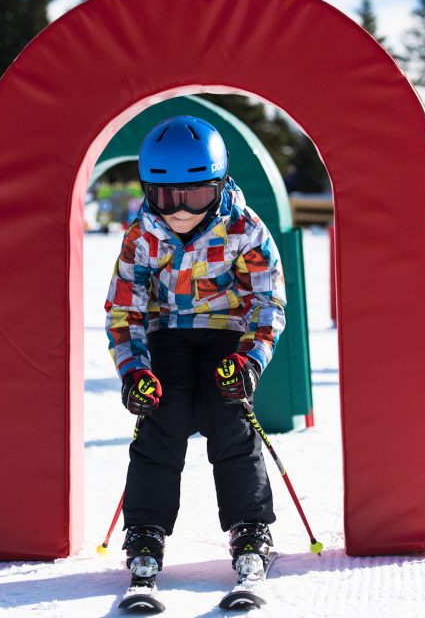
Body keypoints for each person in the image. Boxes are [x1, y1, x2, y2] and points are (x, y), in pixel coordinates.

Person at [104, 115, 286, 596]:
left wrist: (250, 361)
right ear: (147, 189)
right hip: (169, 335)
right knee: (162, 415)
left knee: (230, 417)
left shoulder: (245, 230)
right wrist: (133, 370)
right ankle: (145, 530)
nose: (180, 211)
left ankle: (250, 528)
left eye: (196, 195)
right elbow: (125, 309)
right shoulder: (141, 236)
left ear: (220, 184)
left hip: (229, 333)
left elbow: (266, 302)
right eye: (166, 197)